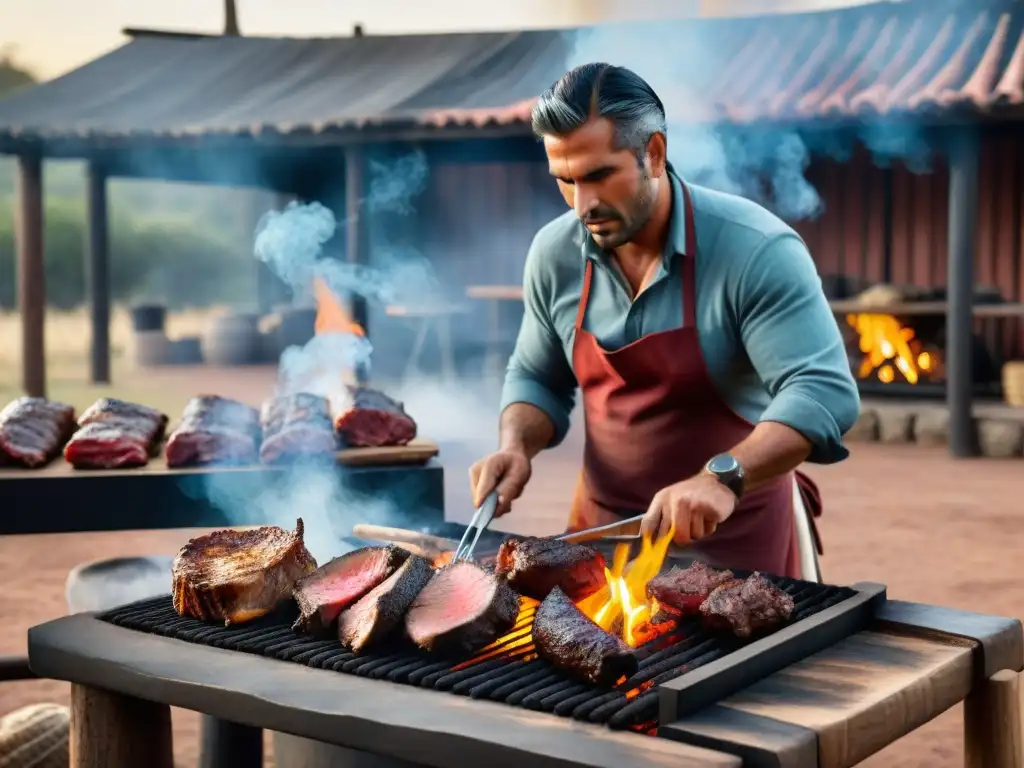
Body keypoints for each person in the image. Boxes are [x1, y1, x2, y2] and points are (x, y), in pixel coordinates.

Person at [468, 62, 860, 579]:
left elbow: (821, 390)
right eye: (564, 180)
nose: (583, 204)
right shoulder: (553, 254)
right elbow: (537, 376)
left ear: (653, 153)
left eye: (599, 175)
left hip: (738, 545)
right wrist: (515, 446)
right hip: (603, 543)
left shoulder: (756, 249)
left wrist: (723, 478)